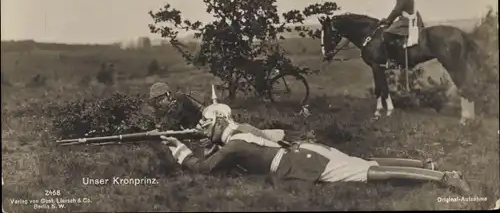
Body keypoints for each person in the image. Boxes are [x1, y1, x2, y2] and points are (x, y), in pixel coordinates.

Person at [161, 114, 470, 194]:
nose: (205, 132)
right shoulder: (242, 129)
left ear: (217, 125)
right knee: (367, 162)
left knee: (368, 174)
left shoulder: (234, 145)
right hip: (307, 150)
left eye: (206, 127)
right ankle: (425, 164)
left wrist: (181, 152)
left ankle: (444, 177)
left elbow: (206, 168)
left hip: (300, 162)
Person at [380, 0, 424, 65]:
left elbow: (397, 10)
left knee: (386, 33)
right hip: (407, 18)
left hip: (407, 21)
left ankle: (394, 59)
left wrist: (388, 21)